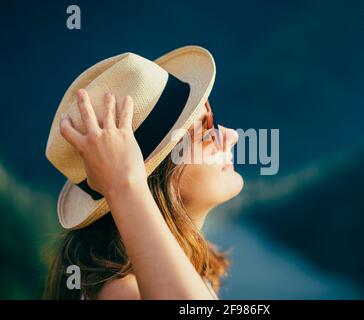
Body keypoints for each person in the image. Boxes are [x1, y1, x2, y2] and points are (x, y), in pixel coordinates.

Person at [43, 47, 243, 299]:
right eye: (204, 131)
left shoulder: (160, 273)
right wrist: (124, 184)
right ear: (151, 175)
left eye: (211, 120)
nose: (231, 136)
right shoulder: (123, 292)